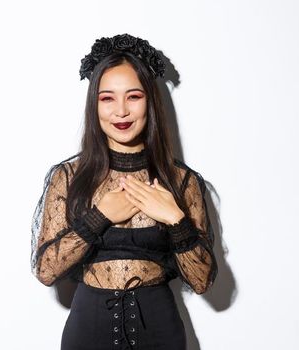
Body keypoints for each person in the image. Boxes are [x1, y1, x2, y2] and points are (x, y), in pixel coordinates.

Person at [30, 33, 217, 350]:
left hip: (160, 331)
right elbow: (46, 270)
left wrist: (175, 218)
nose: (121, 111)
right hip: (87, 331)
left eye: (133, 96)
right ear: (94, 105)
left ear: (150, 101)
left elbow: (201, 281)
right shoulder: (68, 177)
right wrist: (99, 217)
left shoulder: (182, 181)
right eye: (107, 98)